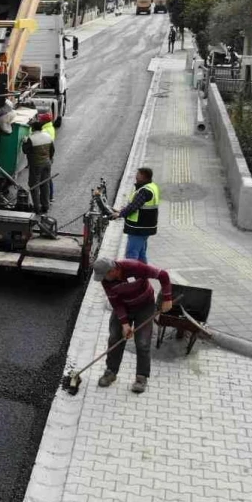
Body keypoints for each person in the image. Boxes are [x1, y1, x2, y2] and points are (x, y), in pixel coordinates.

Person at [91, 257, 174, 394]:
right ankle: (111, 372)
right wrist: (125, 324)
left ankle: (141, 377)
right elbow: (116, 303)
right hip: (124, 307)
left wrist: (167, 298)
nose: (102, 279)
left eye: (104, 275)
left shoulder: (134, 267)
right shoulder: (107, 281)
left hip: (145, 306)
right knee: (115, 338)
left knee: (142, 342)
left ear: (112, 271)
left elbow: (162, 275)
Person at [114, 167, 160, 264]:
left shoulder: (144, 191)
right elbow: (136, 205)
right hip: (146, 227)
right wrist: (122, 210)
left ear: (143, 177)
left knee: (131, 255)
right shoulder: (152, 186)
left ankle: (135, 277)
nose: (136, 176)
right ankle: (144, 277)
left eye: (138, 174)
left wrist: (119, 214)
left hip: (139, 229)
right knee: (141, 255)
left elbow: (133, 207)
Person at [22, 119, 54, 214]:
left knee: (34, 185)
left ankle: (37, 208)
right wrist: (50, 158)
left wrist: (24, 142)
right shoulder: (48, 136)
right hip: (47, 163)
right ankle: (45, 206)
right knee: (45, 184)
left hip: (36, 165)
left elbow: (25, 150)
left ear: (33, 128)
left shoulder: (31, 139)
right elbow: (52, 150)